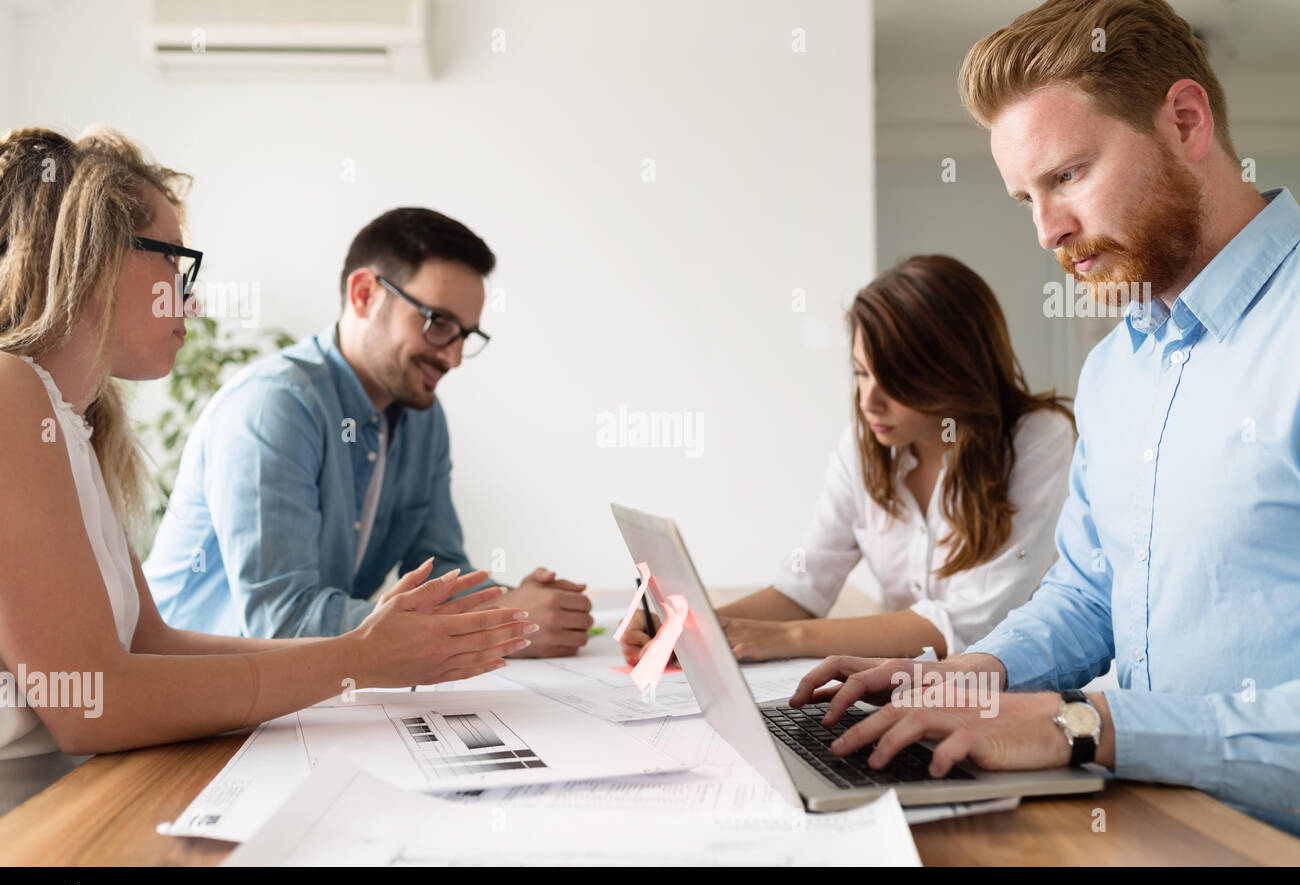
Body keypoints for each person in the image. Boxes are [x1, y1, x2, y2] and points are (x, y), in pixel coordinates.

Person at [790, 0, 1300, 836]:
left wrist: (1083, 724)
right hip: (1136, 818)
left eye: (1067, 176)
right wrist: (961, 677)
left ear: (1184, 120)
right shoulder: (1115, 371)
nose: (1047, 230)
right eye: (1025, 196)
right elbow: (1092, 591)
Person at [0, 126, 537, 812]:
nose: (189, 300)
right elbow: (93, 703)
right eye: (174, 263)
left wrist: (385, 646)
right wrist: (360, 660)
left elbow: (149, 644)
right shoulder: (11, 390)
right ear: (97, 255)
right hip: (34, 814)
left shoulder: (77, 426)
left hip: (86, 790)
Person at [144, 207, 593, 656]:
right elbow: (284, 623)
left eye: (466, 336)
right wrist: (501, 622)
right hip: (194, 699)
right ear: (364, 295)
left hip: (302, 700)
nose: (453, 358)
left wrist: (524, 608)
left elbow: (439, 569)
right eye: (439, 324)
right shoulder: (273, 407)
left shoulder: (423, 418)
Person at [622, 254, 1075, 663]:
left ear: (954, 373)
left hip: (1014, 697)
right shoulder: (863, 449)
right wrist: (687, 627)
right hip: (918, 691)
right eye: (861, 373)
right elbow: (803, 587)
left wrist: (787, 639)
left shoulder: (1039, 441)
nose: (869, 402)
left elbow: (969, 623)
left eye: (895, 380)